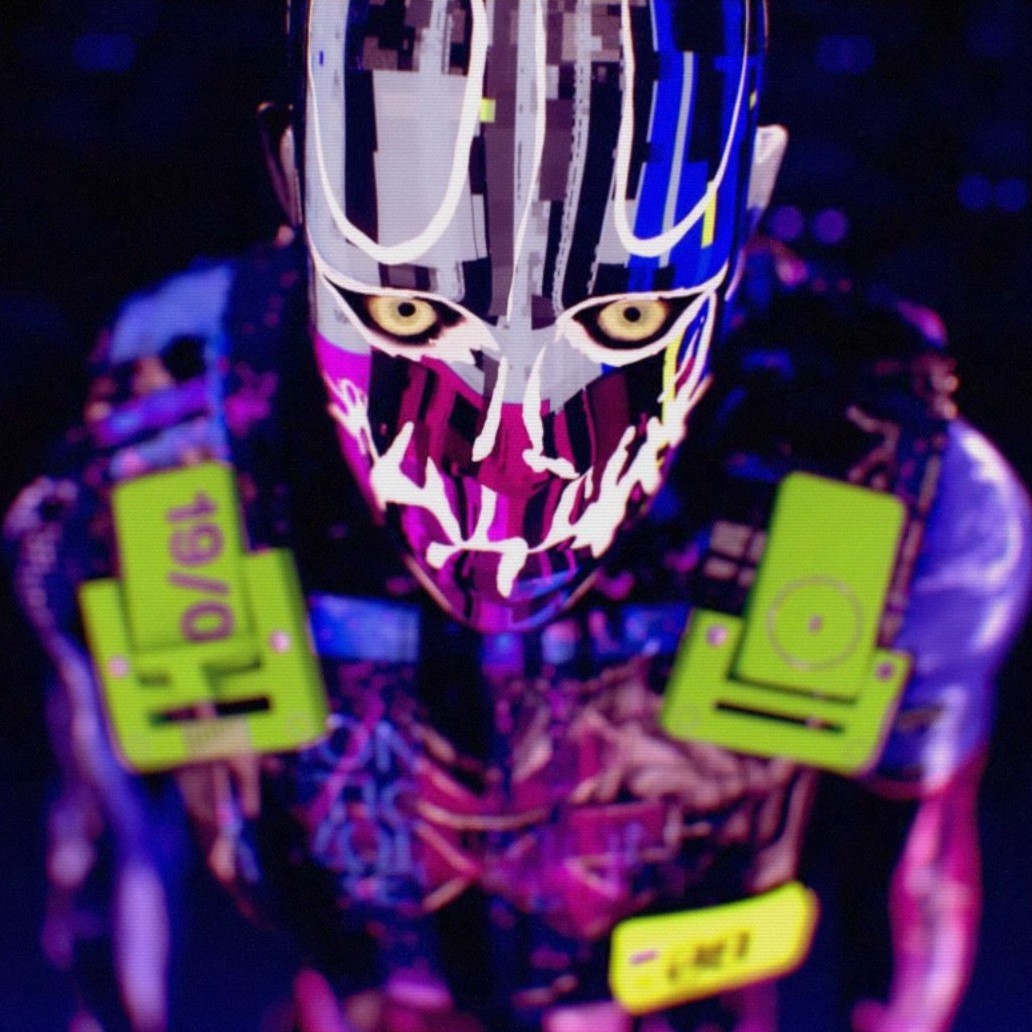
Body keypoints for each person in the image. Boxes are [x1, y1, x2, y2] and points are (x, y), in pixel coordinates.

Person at [6, 2, 1030, 1030]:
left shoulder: (873, 471)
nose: (513, 451)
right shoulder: (177, 446)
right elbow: (113, 848)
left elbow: (913, 878)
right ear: (294, 175)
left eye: (623, 315)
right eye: (412, 308)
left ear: (747, 199)